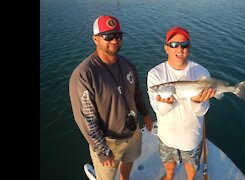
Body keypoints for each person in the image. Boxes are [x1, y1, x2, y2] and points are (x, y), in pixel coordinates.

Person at [69, 15, 153, 180]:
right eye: (108, 36)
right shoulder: (84, 75)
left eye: (118, 36)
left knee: (129, 161)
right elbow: (87, 120)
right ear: (95, 39)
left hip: (133, 131)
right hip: (110, 142)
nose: (115, 41)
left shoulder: (128, 65)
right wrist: (103, 151)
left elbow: (136, 93)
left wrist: (146, 114)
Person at [147, 26, 215, 180]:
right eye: (173, 45)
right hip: (167, 135)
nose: (179, 48)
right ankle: (169, 176)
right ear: (166, 48)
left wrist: (197, 102)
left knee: (191, 165)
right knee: (168, 162)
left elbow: (202, 111)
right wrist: (165, 104)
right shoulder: (155, 74)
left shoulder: (201, 72)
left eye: (184, 45)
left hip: (192, 136)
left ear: (189, 48)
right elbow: (158, 108)